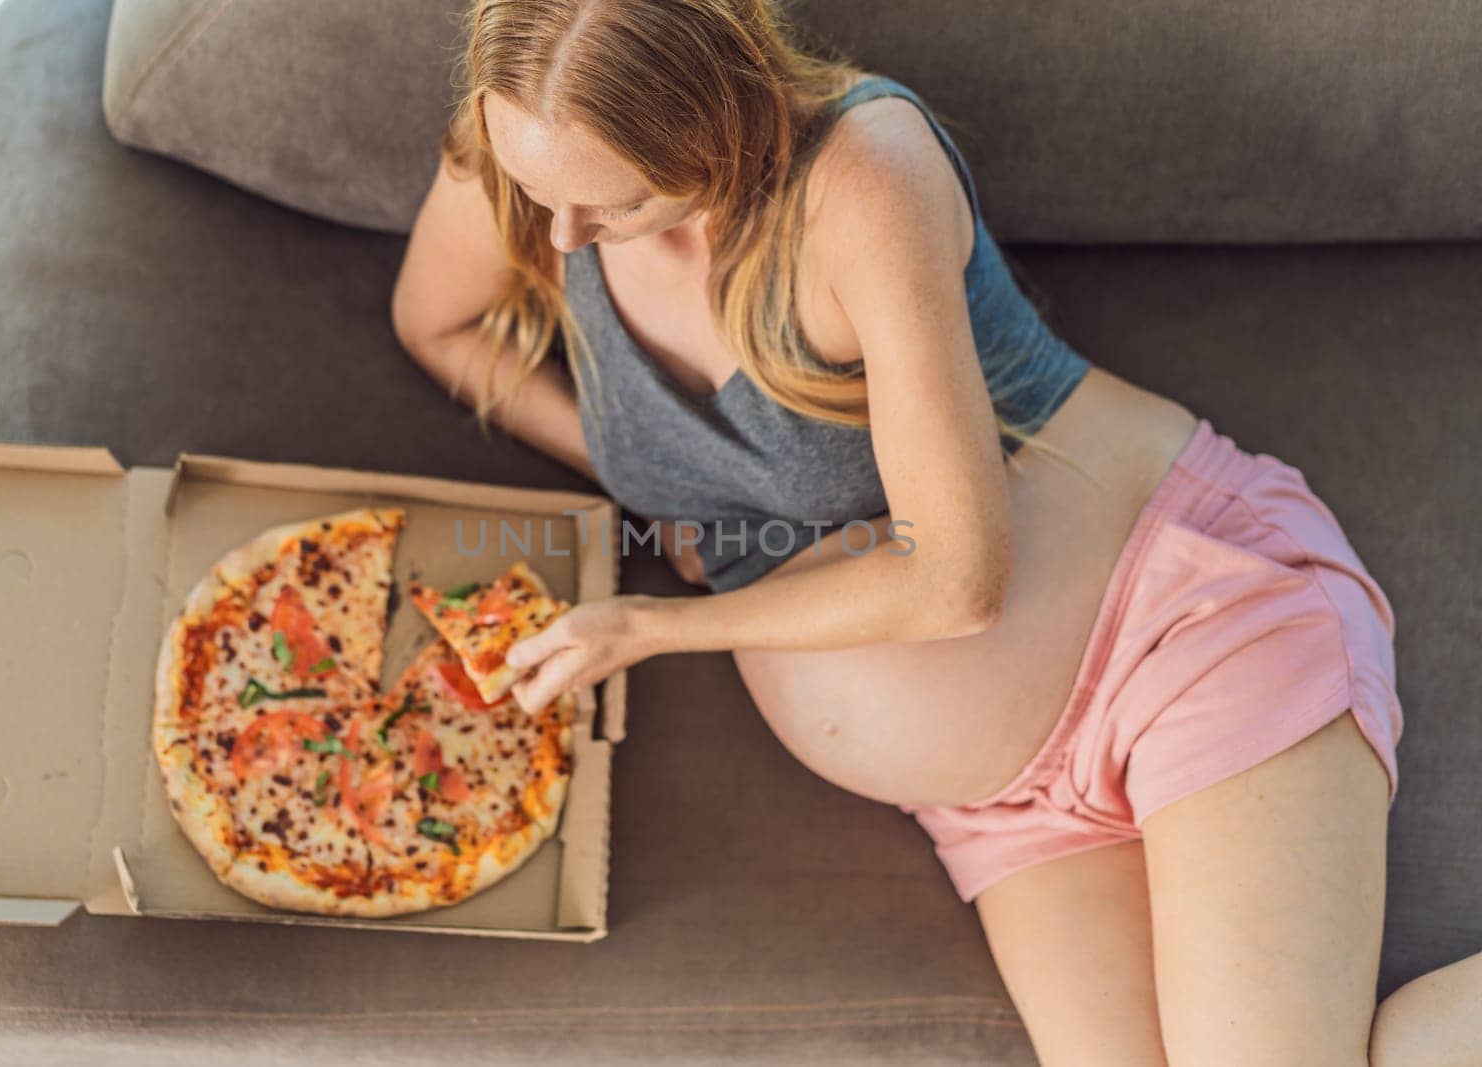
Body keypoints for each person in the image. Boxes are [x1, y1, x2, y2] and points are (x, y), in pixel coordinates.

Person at [391, 1, 1482, 1062]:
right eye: (536, 192)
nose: (557, 237)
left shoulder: (859, 174)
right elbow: (434, 325)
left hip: (1179, 632)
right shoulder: (536, 158)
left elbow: (959, 579)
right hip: (1005, 805)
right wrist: (667, 487)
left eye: (614, 205)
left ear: (711, 136)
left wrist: (658, 625)